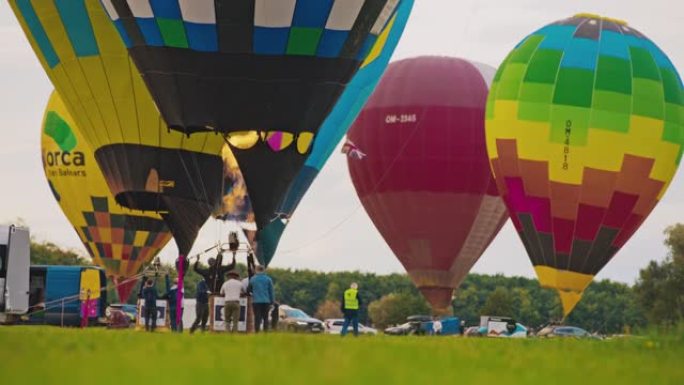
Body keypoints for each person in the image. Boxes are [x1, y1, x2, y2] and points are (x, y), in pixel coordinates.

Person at [248, 265, 274, 333]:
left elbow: (249, 290)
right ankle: (265, 333)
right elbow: (271, 291)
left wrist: (254, 292)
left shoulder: (252, 279)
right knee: (265, 318)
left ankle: (257, 332)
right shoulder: (268, 279)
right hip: (266, 301)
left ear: (256, 270)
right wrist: (272, 302)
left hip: (256, 301)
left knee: (257, 318)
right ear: (263, 270)